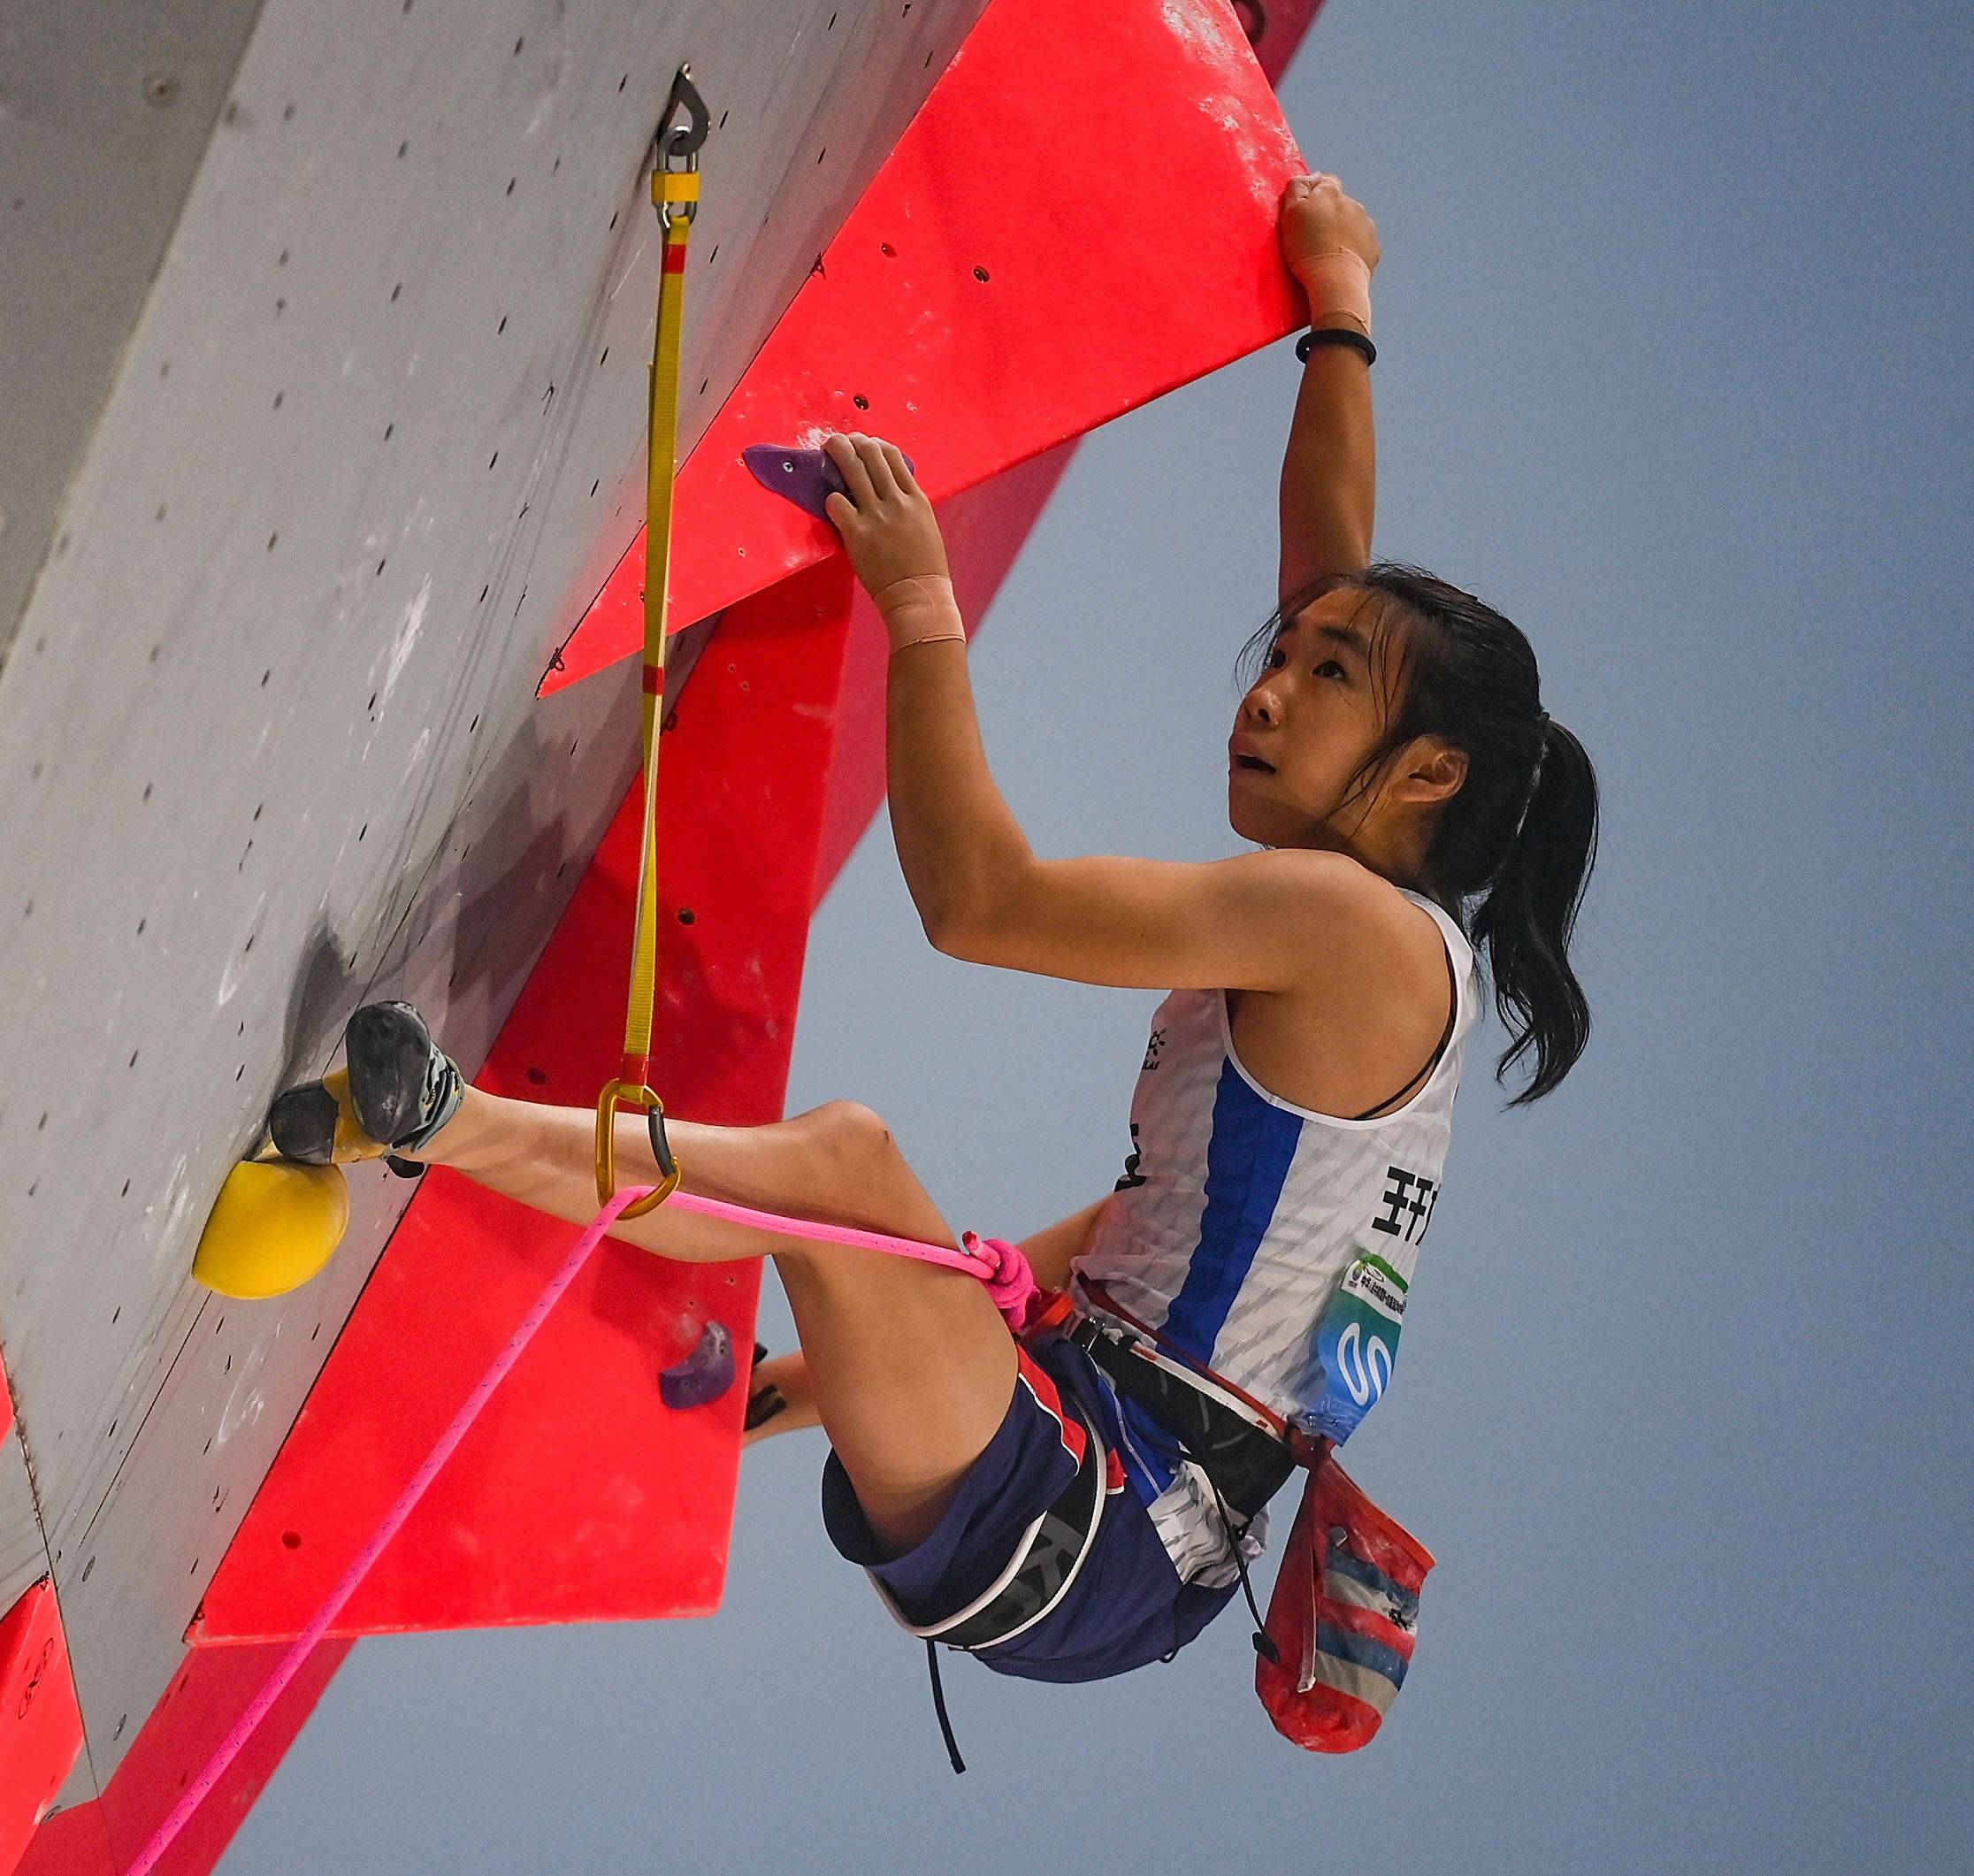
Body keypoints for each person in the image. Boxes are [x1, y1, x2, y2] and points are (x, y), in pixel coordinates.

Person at [267, 173, 1597, 1688]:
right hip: (1102, 1483)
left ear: (1429, 774)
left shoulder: (1358, 927)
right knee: (841, 1194)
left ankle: (438, 1120)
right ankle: (445, 1142)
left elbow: (980, 903)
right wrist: (1338, 308)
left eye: (1326, 675)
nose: (1268, 687)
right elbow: (1333, 566)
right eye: (1278, 655)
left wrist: (918, 604)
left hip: (1106, 1514)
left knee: (846, 1154)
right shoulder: (1378, 953)